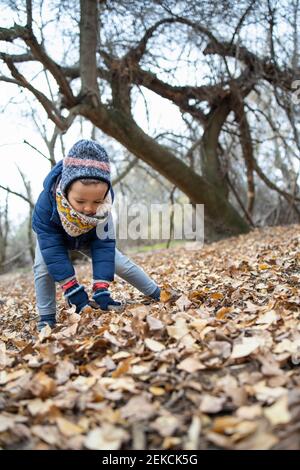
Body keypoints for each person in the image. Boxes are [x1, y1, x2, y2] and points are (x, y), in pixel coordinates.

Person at [32, 139, 160, 331]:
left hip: (88, 238)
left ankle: (156, 292)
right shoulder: (46, 203)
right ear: (66, 190)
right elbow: (52, 251)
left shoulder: (103, 209)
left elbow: (104, 247)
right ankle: (46, 316)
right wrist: (72, 290)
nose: (89, 209)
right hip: (53, 239)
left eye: (97, 201)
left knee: (120, 262)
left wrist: (101, 290)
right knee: (42, 269)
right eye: (81, 200)